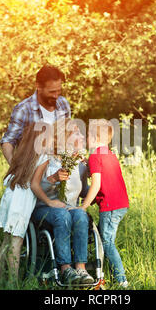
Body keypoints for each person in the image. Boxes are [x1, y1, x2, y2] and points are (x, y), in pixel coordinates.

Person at [0, 122, 62, 284]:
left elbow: (6, 146)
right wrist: (49, 202)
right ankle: (12, 283)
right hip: (21, 201)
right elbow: (34, 185)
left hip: (9, 196)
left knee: (6, 240)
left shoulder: (22, 153)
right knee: (16, 242)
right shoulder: (44, 157)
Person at [30, 118, 94, 285]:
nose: (81, 135)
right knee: (61, 215)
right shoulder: (48, 158)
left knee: (80, 213)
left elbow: (84, 190)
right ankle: (66, 269)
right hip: (45, 208)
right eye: (76, 132)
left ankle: (81, 268)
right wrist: (52, 178)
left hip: (69, 208)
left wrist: (99, 186)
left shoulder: (80, 164)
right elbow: (35, 187)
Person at [77, 119, 130, 288]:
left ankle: (122, 280)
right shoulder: (109, 154)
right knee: (100, 237)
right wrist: (86, 162)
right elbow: (103, 173)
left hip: (110, 206)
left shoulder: (95, 157)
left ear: (93, 137)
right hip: (121, 204)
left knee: (106, 241)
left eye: (87, 136)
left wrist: (83, 206)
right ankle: (95, 267)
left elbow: (97, 185)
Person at [0, 65, 71, 165]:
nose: (56, 95)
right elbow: (8, 141)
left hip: (59, 171)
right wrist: (15, 168)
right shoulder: (23, 109)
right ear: (38, 86)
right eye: (52, 91)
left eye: (58, 90)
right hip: (32, 171)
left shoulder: (63, 104)